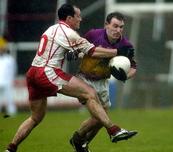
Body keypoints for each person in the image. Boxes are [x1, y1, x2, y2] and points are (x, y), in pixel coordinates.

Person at [5, 4, 137, 152]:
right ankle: (113, 130)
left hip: (33, 72)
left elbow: (73, 50)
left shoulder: (52, 28)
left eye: (121, 27)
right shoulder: (70, 33)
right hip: (48, 72)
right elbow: (92, 51)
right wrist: (117, 51)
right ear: (69, 18)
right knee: (90, 93)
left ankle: (10, 148)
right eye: (78, 16)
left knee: (36, 117)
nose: (80, 19)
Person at [68, 12, 137, 152]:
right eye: (115, 26)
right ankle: (80, 140)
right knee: (99, 116)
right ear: (106, 25)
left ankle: (81, 141)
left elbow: (134, 67)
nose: (118, 30)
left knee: (100, 119)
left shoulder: (126, 45)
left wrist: (125, 76)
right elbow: (79, 46)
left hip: (103, 82)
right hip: (84, 79)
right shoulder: (93, 35)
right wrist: (74, 52)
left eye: (121, 27)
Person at [0, 37, 17, 117]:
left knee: (9, 98)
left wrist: (11, 80)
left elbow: (14, 70)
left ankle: (12, 112)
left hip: (7, 81)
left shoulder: (10, 59)